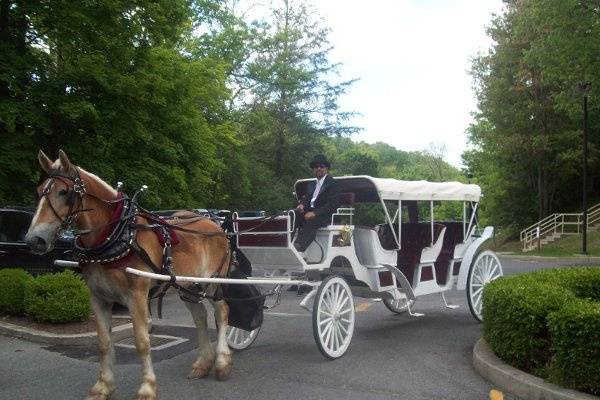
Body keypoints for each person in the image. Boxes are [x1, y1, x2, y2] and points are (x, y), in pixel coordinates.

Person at [293, 154, 341, 253]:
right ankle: (286, 241)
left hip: (325, 215)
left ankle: (299, 247)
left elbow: (333, 204)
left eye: (321, 166)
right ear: (313, 169)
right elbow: (306, 199)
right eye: (316, 167)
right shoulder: (311, 185)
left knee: (312, 220)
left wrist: (315, 213)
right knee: (292, 215)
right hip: (310, 213)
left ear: (326, 169)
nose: (318, 168)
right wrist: (301, 205)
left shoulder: (333, 184)